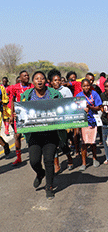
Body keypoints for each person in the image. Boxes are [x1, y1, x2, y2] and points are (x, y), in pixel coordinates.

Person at [20, 71, 67, 199]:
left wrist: (80, 109)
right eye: (36, 79)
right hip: (34, 135)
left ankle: (49, 187)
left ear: (45, 81)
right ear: (33, 82)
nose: (39, 81)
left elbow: (65, 108)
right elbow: (22, 113)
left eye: (41, 78)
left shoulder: (54, 94)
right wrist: (17, 116)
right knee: (34, 161)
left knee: (49, 160)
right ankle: (40, 173)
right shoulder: (26, 95)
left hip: (50, 134)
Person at [48, 69, 74, 171]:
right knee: (52, 144)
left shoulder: (66, 90)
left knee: (63, 143)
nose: (57, 82)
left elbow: (71, 105)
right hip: (51, 122)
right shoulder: (47, 92)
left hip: (62, 122)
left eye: (59, 80)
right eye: (55, 80)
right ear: (50, 82)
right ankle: (56, 165)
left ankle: (69, 158)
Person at [76, 79, 103, 171]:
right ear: (81, 86)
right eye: (84, 86)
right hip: (83, 122)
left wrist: (90, 107)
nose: (86, 87)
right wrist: (82, 109)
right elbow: (75, 109)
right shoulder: (79, 96)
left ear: (90, 85)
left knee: (92, 142)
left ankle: (94, 158)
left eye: (88, 85)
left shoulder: (94, 94)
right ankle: (84, 163)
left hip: (93, 121)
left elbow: (99, 107)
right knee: (83, 143)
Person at [10, 70, 34, 165]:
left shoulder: (32, 86)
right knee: (17, 136)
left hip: (30, 114)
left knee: (32, 135)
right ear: (20, 78)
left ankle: (35, 154)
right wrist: (12, 114)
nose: (27, 77)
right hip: (19, 115)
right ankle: (18, 157)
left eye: (28, 75)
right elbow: (12, 101)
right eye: (24, 76)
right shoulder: (15, 87)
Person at [0, 85, 10, 155]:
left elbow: (6, 99)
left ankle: (5, 145)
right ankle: (4, 145)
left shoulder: (1, 88)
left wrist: (2, 101)